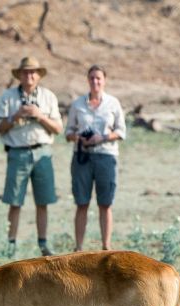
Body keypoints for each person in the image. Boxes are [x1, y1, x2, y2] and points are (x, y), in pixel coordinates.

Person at [0, 56, 63, 257]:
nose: (29, 75)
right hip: (18, 152)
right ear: (19, 75)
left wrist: (39, 115)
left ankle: (43, 244)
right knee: (15, 201)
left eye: (33, 72)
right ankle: (11, 245)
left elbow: (58, 128)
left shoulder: (48, 97)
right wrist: (15, 117)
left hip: (43, 151)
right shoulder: (8, 97)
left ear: (39, 75)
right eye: (25, 72)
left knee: (43, 201)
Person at [64, 65, 127, 251]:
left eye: (98, 78)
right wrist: (79, 138)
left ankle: (106, 247)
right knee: (81, 203)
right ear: (87, 80)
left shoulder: (113, 103)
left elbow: (121, 131)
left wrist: (103, 137)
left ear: (104, 80)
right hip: (82, 157)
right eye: (92, 78)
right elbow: (68, 132)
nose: (95, 81)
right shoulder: (78, 104)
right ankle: (78, 248)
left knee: (105, 203)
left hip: (106, 155)